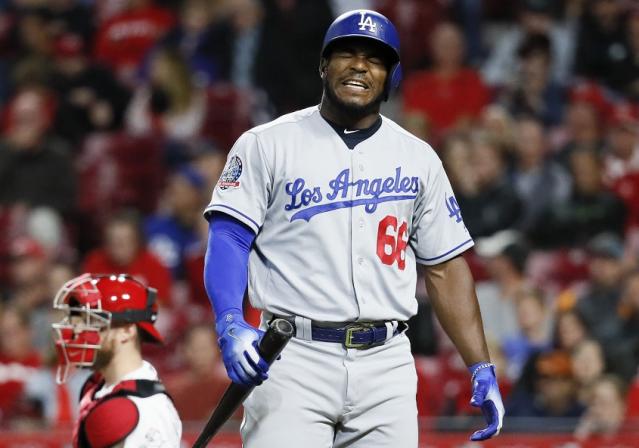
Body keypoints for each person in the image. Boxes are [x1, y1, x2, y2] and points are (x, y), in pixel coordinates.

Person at [203, 9, 504, 447]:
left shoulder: (418, 158)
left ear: (391, 76)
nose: (360, 65)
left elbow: (445, 267)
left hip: (387, 364)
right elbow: (230, 235)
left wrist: (479, 364)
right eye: (346, 52)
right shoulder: (267, 143)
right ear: (323, 65)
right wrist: (230, 320)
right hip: (293, 356)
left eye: (375, 58)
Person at [51, 273, 181, 447]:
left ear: (126, 331)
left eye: (91, 322)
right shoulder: (99, 387)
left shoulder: (148, 408)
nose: (77, 332)